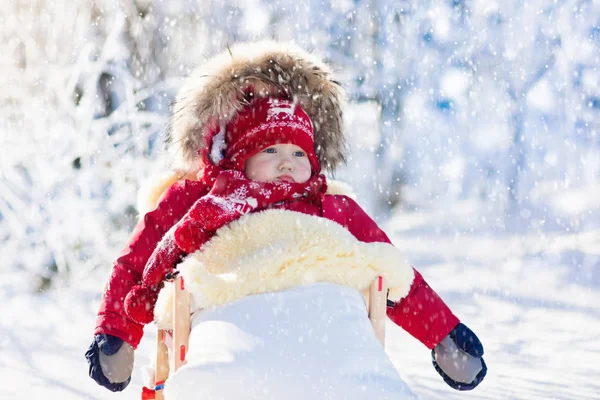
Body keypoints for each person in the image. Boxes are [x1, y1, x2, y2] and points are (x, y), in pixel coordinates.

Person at [86, 41, 487, 396]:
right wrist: (115, 332)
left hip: (328, 320)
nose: (287, 165)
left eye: (299, 155)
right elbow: (137, 259)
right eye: (271, 151)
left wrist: (443, 335)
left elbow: (394, 271)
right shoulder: (203, 199)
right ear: (240, 156)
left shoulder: (332, 205)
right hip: (231, 311)